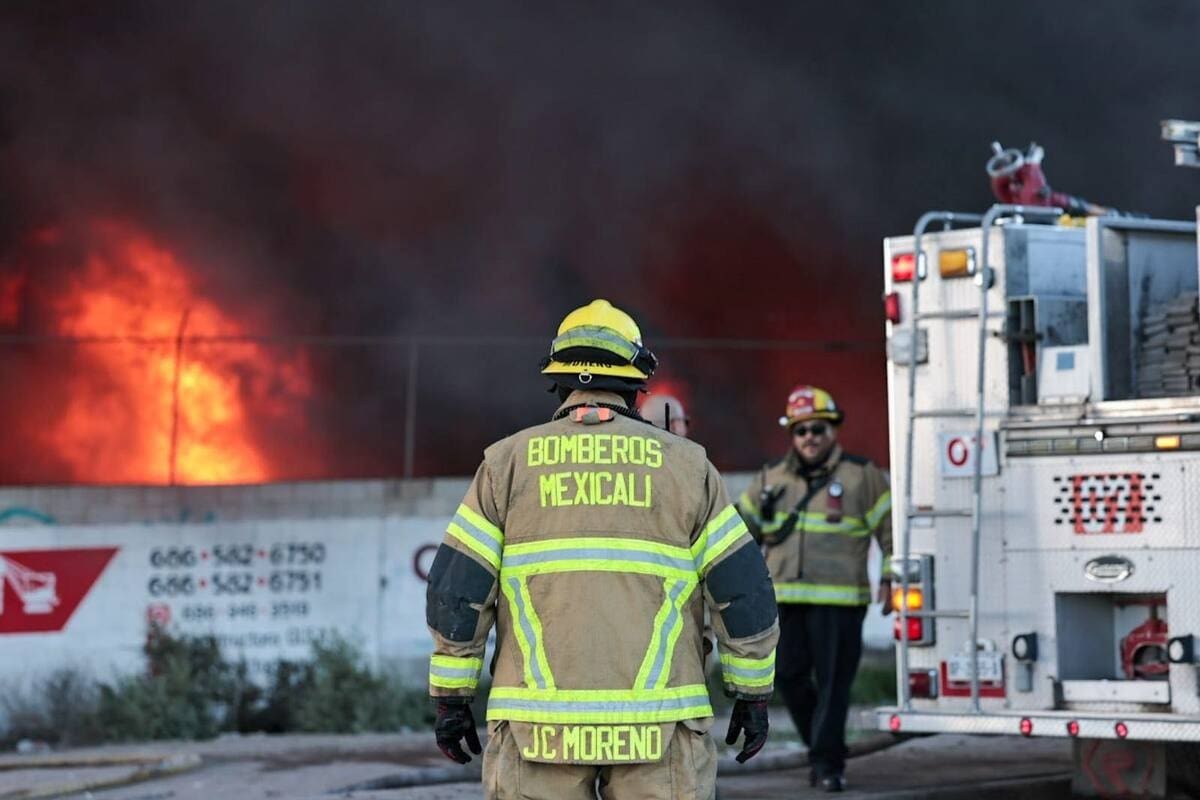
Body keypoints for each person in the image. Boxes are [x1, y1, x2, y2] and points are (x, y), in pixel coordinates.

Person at [426, 299, 780, 800]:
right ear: (636, 381)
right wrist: (752, 692)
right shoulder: (687, 467)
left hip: (537, 730)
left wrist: (451, 698)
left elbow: (456, 593)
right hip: (659, 728)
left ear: (560, 379)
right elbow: (743, 593)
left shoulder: (506, 465)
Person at [736, 385, 893, 793]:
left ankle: (827, 765)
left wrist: (892, 576)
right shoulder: (771, 478)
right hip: (785, 599)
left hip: (841, 603)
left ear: (833, 431)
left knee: (834, 686)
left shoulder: (862, 476)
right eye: (801, 431)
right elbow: (738, 532)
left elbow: (891, 531)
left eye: (818, 429)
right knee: (787, 677)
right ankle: (821, 751)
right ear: (792, 435)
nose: (810, 438)